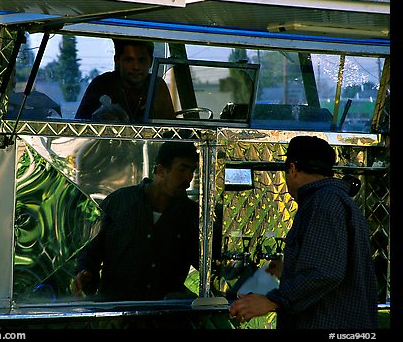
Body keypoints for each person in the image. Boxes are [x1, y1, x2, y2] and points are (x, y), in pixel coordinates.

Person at [229, 136, 378, 329]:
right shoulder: (334, 200)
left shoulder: (323, 202)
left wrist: (273, 301)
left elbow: (324, 272)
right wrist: (291, 269)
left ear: (292, 169)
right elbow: (331, 263)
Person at [72, 141, 200, 301]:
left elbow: (205, 263)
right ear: (160, 170)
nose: (188, 178)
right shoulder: (120, 202)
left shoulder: (192, 214)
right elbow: (91, 249)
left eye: (192, 170)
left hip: (165, 315)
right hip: (117, 310)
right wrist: (85, 273)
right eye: (182, 169)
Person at [74, 39, 176, 123]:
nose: (136, 67)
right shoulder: (102, 84)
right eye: (129, 60)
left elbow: (170, 127)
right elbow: (80, 125)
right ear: (117, 61)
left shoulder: (156, 86)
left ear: (151, 62)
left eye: (142, 60)